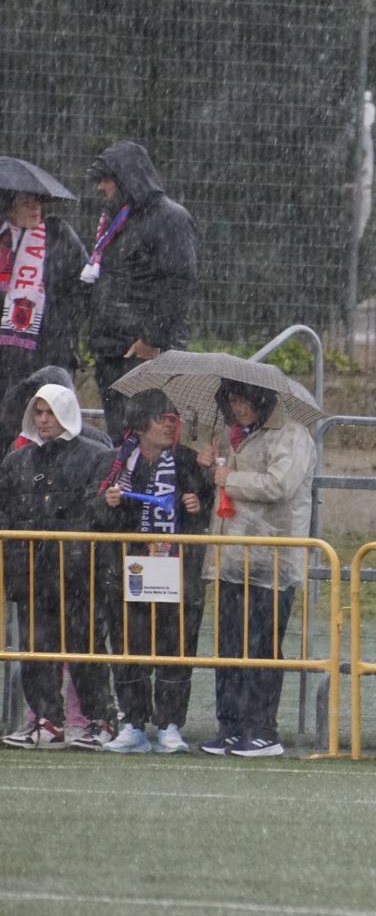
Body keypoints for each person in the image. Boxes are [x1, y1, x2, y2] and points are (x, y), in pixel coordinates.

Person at [91, 390, 213, 754]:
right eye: (162, 419)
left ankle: (170, 725)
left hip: (177, 573)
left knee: (174, 649)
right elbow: (94, 513)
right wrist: (107, 502)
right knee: (130, 648)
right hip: (129, 572)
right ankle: (133, 724)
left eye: (172, 420)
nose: (168, 426)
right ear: (142, 423)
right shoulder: (117, 462)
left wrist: (198, 502)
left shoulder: (188, 461)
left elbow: (209, 509)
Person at [201, 379, 315, 758]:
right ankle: (230, 725)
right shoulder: (232, 436)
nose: (238, 407)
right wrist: (212, 467)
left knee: (263, 646)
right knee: (229, 645)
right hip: (231, 555)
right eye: (232, 399)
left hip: (274, 560)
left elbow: (280, 485)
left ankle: (263, 729)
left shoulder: (293, 435)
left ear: (262, 400)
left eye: (244, 399)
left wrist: (229, 478)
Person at [0, 383, 115, 750]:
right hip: (31, 571)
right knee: (37, 649)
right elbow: (8, 514)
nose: (43, 419)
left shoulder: (97, 456)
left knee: (85, 648)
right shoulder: (16, 461)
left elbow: (93, 514)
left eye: (49, 412)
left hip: (78, 572)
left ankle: (101, 720)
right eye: (38, 412)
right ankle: (47, 720)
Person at [81, 142, 199, 437]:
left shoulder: (169, 217)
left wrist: (152, 339)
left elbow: (178, 283)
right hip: (113, 353)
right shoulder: (119, 220)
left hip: (147, 355)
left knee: (150, 443)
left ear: (126, 178)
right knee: (122, 443)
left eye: (105, 179)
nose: (100, 188)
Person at [0, 189, 89, 409]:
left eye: (38, 202)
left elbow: (84, 285)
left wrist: (62, 322)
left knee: (45, 417)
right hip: (5, 353)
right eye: (26, 202)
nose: (35, 208)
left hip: (49, 347)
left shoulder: (58, 234)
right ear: (8, 207)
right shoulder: (3, 237)